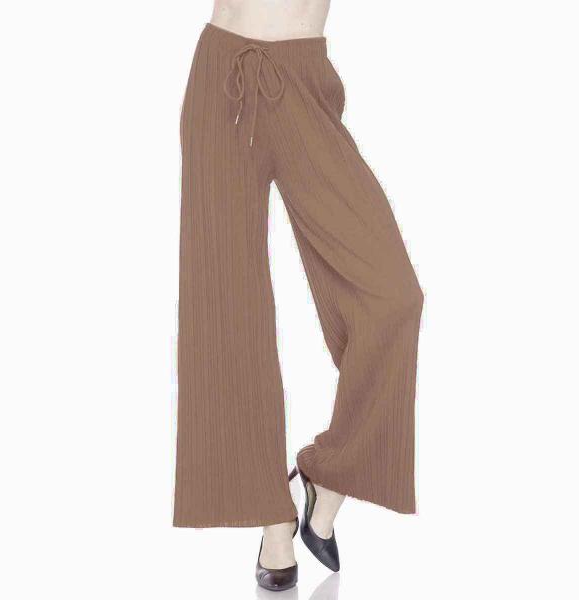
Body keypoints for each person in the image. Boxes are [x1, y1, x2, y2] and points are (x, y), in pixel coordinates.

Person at [173, 0, 424, 591]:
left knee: (393, 297)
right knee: (228, 310)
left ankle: (328, 478)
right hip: (224, 80)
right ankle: (272, 520)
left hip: (304, 82)